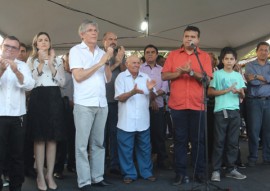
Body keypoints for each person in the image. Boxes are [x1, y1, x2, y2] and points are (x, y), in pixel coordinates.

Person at [161, 26, 212, 185]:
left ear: (198, 40)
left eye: (193, 36)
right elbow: (164, 75)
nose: (190, 39)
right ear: (182, 38)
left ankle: (200, 172)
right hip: (178, 105)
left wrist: (191, 73)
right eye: (187, 36)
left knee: (199, 141)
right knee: (180, 141)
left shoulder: (203, 56)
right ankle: (180, 173)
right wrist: (179, 73)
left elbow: (207, 79)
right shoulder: (173, 55)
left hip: (198, 105)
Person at [69, 20, 113, 191]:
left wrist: (107, 62)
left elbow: (108, 79)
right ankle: (84, 181)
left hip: (101, 103)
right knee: (81, 145)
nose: (94, 33)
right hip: (84, 104)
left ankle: (97, 176)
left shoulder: (102, 52)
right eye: (90, 30)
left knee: (98, 143)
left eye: (96, 30)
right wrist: (100, 63)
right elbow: (78, 76)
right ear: (82, 34)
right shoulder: (76, 51)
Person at [27, 32, 66, 191]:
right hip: (38, 98)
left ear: (50, 43)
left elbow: (62, 82)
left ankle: (50, 174)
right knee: (39, 139)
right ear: (36, 44)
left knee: (52, 139)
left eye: (46, 40)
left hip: (54, 99)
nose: (43, 43)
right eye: (40, 40)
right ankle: (40, 175)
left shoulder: (57, 60)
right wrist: (41, 64)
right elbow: (30, 82)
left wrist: (50, 64)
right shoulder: (31, 60)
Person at [115, 55, 157, 184]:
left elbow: (152, 97)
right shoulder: (121, 77)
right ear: (127, 64)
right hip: (125, 121)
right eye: (133, 62)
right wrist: (132, 92)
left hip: (143, 120)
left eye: (138, 62)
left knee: (145, 149)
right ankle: (129, 173)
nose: (136, 65)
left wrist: (150, 91)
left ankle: (146, 172)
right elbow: (119, 97)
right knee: (126, 150)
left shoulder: (145, 77)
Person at [0, 36, 35, 191]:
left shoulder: (22, 65)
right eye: (7, 46)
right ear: (1, 46)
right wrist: (2, 70)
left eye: (14, 48)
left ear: (18, 51)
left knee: (17, 155)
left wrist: (16, 71)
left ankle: (16, 187)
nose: (10, 50)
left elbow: (29, 86)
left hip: (18, 117)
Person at [208, 47, 246, 182]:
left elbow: (243, 94)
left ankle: (231, 168)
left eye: (231, 59)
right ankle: (216, 170)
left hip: (235, 111)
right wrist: (226, 90)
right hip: (220, 111)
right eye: (226, 59)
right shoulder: (217, 74)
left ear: (235, 61)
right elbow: (210, 92)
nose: (229, 61)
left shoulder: (238, 75)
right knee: (219, 141)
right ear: (222, 60)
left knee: (233, 142)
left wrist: (239, 92)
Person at [140, 44, 169, 169]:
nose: (150, 54)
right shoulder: (139, 69)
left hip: (159, 106)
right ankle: (144, 161)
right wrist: (151, 98)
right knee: (143, 134)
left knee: (159, 134)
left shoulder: (162, 70)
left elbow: (165, 88)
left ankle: (162, 160)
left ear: (157, 55)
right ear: (144, 54)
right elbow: (139, 86)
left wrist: (154, 95)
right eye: (147, 52)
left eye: (152, 52)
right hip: (142, 107)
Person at [103, 32, 125, 175]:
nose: (113, 41)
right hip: (100, 101)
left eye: (115, 39)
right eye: (110, 39)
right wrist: (115, 62)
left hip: (115, 102)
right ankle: (100, 165)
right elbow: (102, 75)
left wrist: (121, 60)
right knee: (100, 135)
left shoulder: (120, 54)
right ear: (104, 41)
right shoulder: (99, 54)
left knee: (114, 133)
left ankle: (114, 164)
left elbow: (125, 73)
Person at [244, 41, 270, 166]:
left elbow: (255, 80)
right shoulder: (249, 65)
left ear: (268, 52)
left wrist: (257, 77)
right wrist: (266, 80)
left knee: (268, 131)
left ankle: (267, 157)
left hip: (268, 101)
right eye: (261, 50)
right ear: (256, 51)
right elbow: (252, 82)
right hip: (254, 102)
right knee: (254, 131)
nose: (264, 52)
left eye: (266, 50)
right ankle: (253, 158)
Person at [54, 52, 76, 179]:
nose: (69, 64)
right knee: (62, 140)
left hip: (77, 110)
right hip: (63, 110)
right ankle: (58, 168)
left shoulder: (78, 74)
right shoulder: (60, 75)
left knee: (74, 139)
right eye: (68, 61)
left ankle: (72, 165)